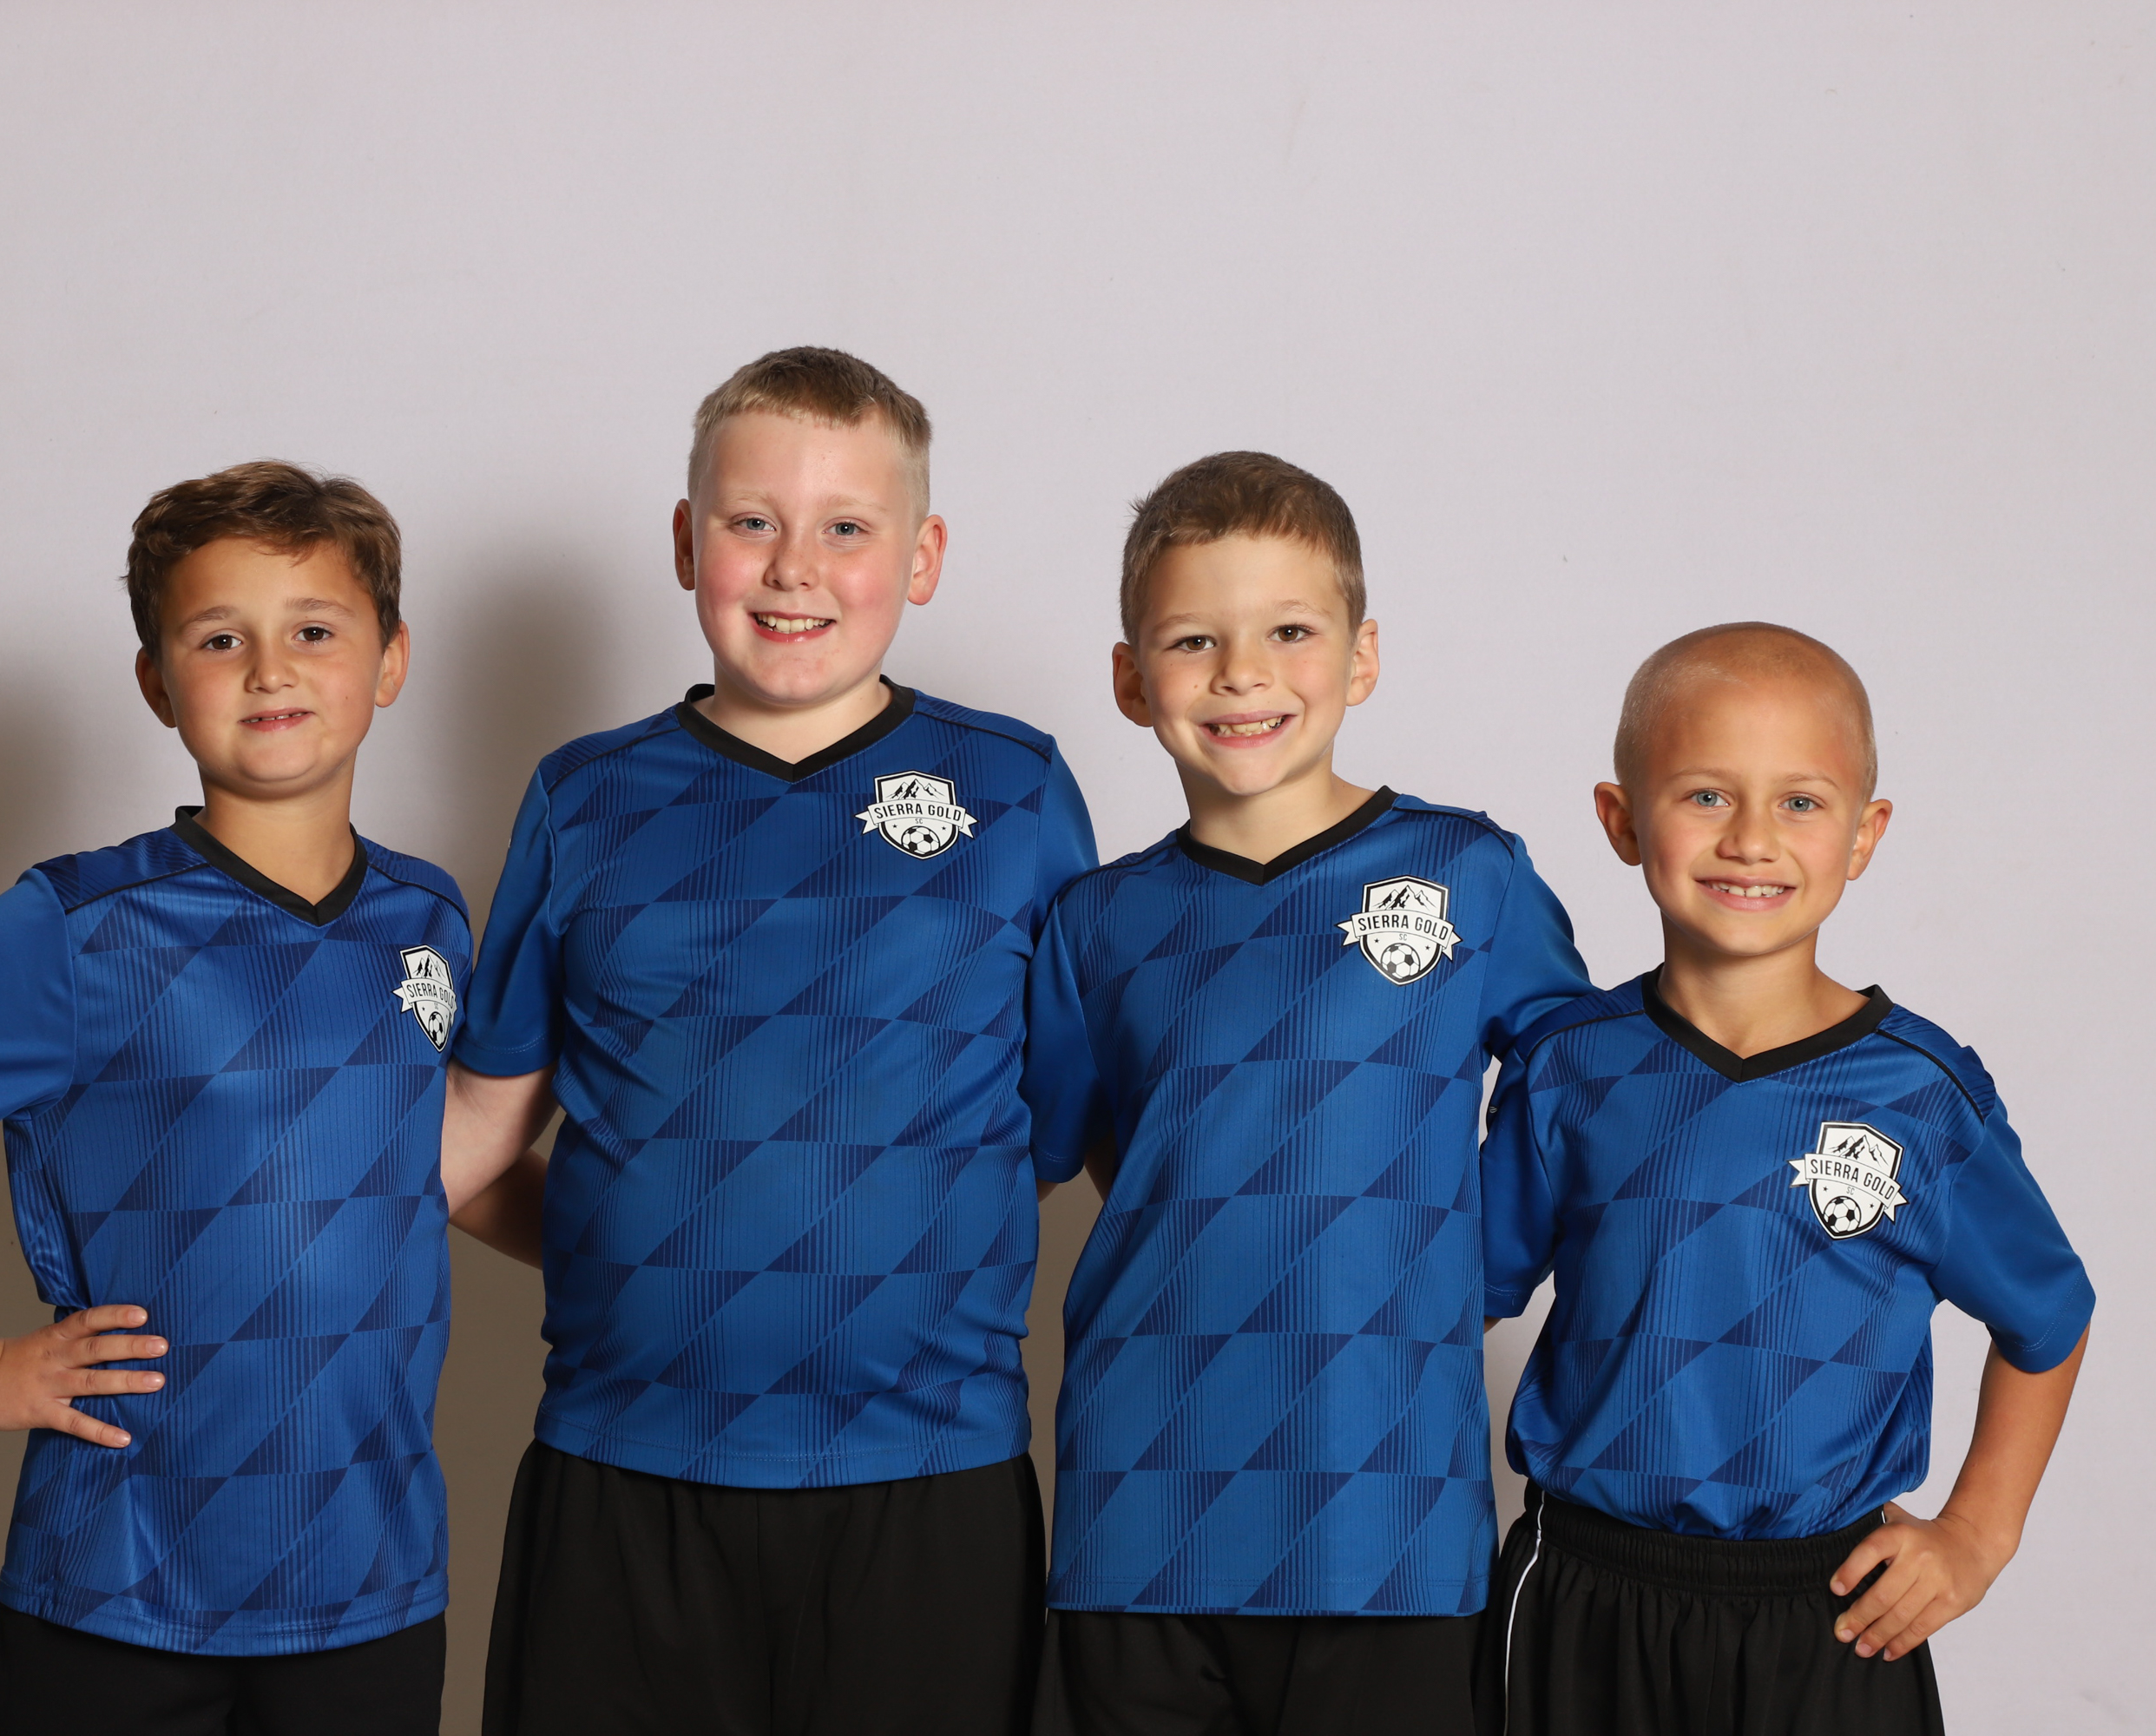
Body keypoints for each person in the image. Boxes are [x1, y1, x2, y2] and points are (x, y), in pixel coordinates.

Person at [0, 462, 510, 1735]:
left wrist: (635, 1238)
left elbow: (427, 1163)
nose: (268, 670)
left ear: (390, 660)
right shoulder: (82, 928)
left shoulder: (426, 915)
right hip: (123, 1580)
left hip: (372, 1574)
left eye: (313, 631)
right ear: (159, 683)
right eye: (219, 639)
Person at [448, 346, 1098, 1735]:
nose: (795, 567)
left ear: (921, 557)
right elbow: (471, 1150)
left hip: (928, 1474)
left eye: (846, 527)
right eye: (753, 522)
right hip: (626, 1470)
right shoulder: (585, 798)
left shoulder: (1014, 790)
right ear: (689, 543)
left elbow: (1043, 1130)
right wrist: (654, 1228)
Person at [1020, 451, 1592, 1735]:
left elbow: (1586, 1094)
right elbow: (1074, 1145)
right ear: (1130, 679)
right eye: (1193, 639)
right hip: (1139, 1504)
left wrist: (1460, 1264)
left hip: (1384, 1508)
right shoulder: (1096, 922)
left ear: (1361, 655)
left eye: (1289, 630)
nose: (1243, 672)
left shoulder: (1469, 874)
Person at [1481, 622, 2094, 1736]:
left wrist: (1977, 1532)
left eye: (1800, 801)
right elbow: (1450, 1299)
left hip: (1830, 1612)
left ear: (1864, 835)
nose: (1751, 838)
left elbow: (2047, 1315)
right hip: (1582, 1591)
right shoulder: (1569, 1065)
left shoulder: (1920, 1096)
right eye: (1705, 794)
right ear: (1622, 819)